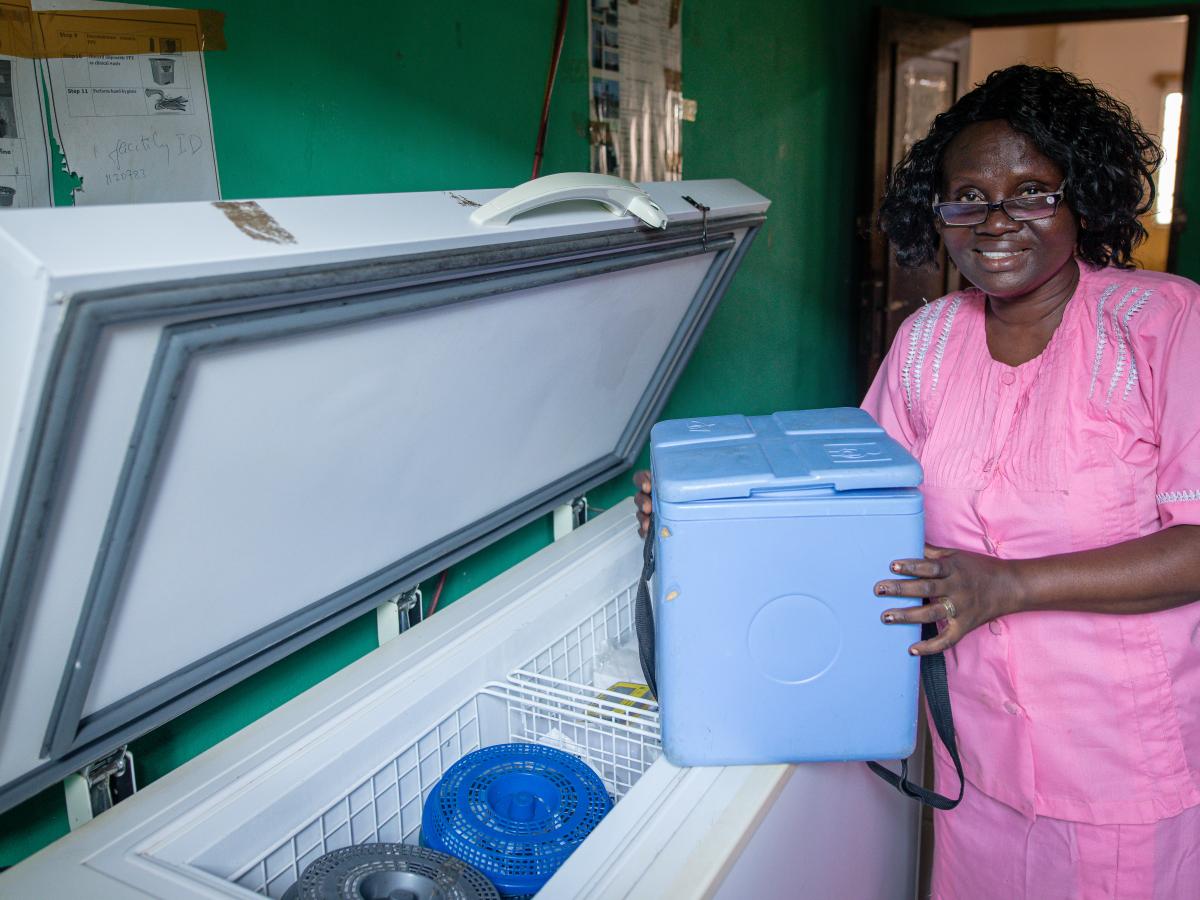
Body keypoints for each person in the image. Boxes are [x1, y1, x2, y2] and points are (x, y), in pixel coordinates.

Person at [634, 65, 1200, 898]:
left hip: (1120, 759)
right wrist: (698, 518)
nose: (996, 221)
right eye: (966, 196)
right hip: (971, 750)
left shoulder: (1164, 324)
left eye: (1032, 192)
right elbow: (855, 513)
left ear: (1083, 198)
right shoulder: (929, 341)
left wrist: (1006, 584)